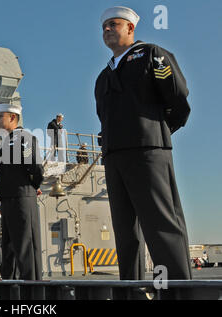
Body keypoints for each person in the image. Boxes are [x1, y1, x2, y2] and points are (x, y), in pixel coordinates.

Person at [95, 6, 192, 281]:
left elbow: (177, 99)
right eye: (104, 27)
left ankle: (177, 290)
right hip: (114, 157)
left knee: (161, 224)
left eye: (114, 24)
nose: (107, 30)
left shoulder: (151, 54)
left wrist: (155, 133)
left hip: (148, 150)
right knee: (125, 232)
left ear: (130, 28)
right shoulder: (102, 77)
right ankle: (131, 288)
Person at [0, 103, 44, 280]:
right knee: (9, 249)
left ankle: (32, 293)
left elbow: (35, 167)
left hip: (22, 197)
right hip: (7, 199)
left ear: (13, 118)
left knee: (25, 248)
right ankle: (12, 291)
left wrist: (34, 186)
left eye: (1, 116)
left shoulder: (25, 139)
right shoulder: (6, 141)